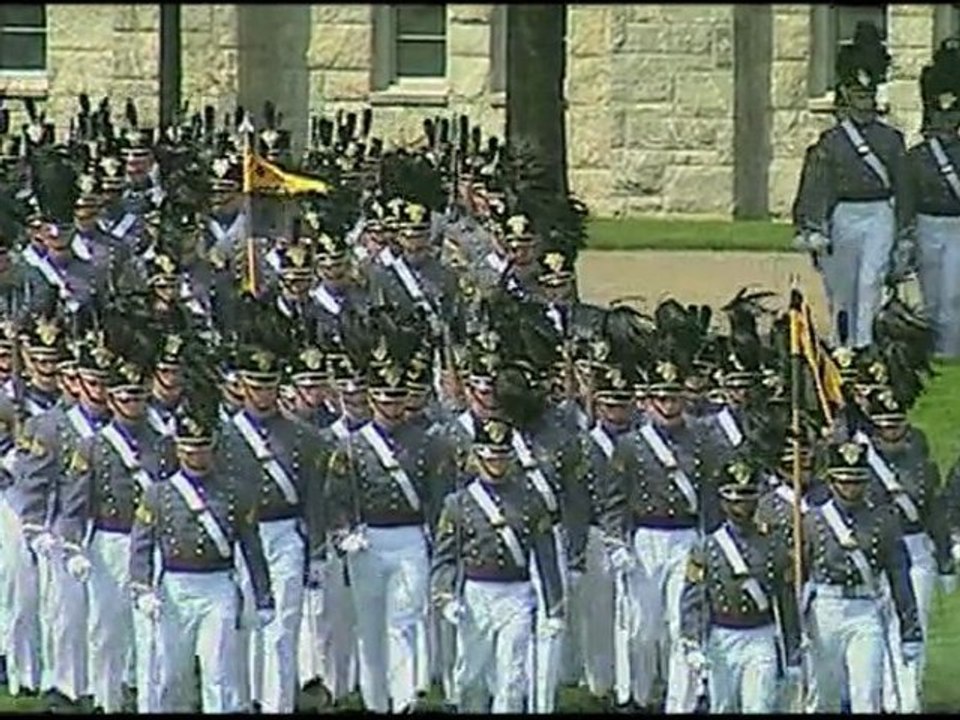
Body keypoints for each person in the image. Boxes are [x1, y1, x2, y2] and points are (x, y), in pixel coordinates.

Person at [128, 363, 274, 713]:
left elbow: (252, 549)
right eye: (189, 448)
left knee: (219, 671)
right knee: (171, 672)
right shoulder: (158, 494)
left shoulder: (235, 493)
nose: (196, 455)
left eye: (202, 447)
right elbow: (141, 547)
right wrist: (142, 587)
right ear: (178, 448)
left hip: (217, 584)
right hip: (174, 586)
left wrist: (264, 597)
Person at [431, 417, 565, 713]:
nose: (497, 464)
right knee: (471, 675)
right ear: (477, 457)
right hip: (475, 593)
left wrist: (555, 607)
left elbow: (546, 557)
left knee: (513, 674)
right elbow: (444, 558)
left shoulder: (531, 501)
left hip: (516, 593)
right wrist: (445, 596)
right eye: (490, 457)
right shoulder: (458, 503)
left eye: (503, 457)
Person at [792, 21, 909, 348]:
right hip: (843, 214)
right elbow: (817, 186)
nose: (865, 101)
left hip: (878, 213)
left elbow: (904, 188)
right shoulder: (830, 142)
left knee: (872, 281)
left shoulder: (891, 139)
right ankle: (842, 344)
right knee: (842, 287)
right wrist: (813, 226)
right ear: (845, 93)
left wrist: (905, 233)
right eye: (858, 94)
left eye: (869, 94)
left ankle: (864, 344)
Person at [803, 438, 922, 713]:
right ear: (831, 482)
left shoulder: (884, 520)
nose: (851, 488)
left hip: (866, 608)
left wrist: (910, 629)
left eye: (856, 481)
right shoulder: (812, 521)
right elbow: (796, 576)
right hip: (825, 609)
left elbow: (899, 577)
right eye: (844, 481)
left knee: (866, 694)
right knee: (823, 696)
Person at [678, 457, 801, 713]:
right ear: (723, 502)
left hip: (761, 634)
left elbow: (786, 601)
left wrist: (793, 652)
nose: (741, 505)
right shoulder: (707, 547)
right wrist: (692, 640)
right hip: (722, 636)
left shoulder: (774, 544)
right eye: (734, 499)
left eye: (746, 498)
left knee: (760, 704)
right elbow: (693, 598)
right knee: (723, 706)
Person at [906, 39, 960, 358]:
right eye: (941, 114)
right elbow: (908, 197)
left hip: (956, 224)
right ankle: (938, 350)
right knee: (932, 296)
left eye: (952, 114)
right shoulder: (917, 156)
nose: (946, 121)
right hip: (927, 225)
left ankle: (950, 351)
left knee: (954, 294)